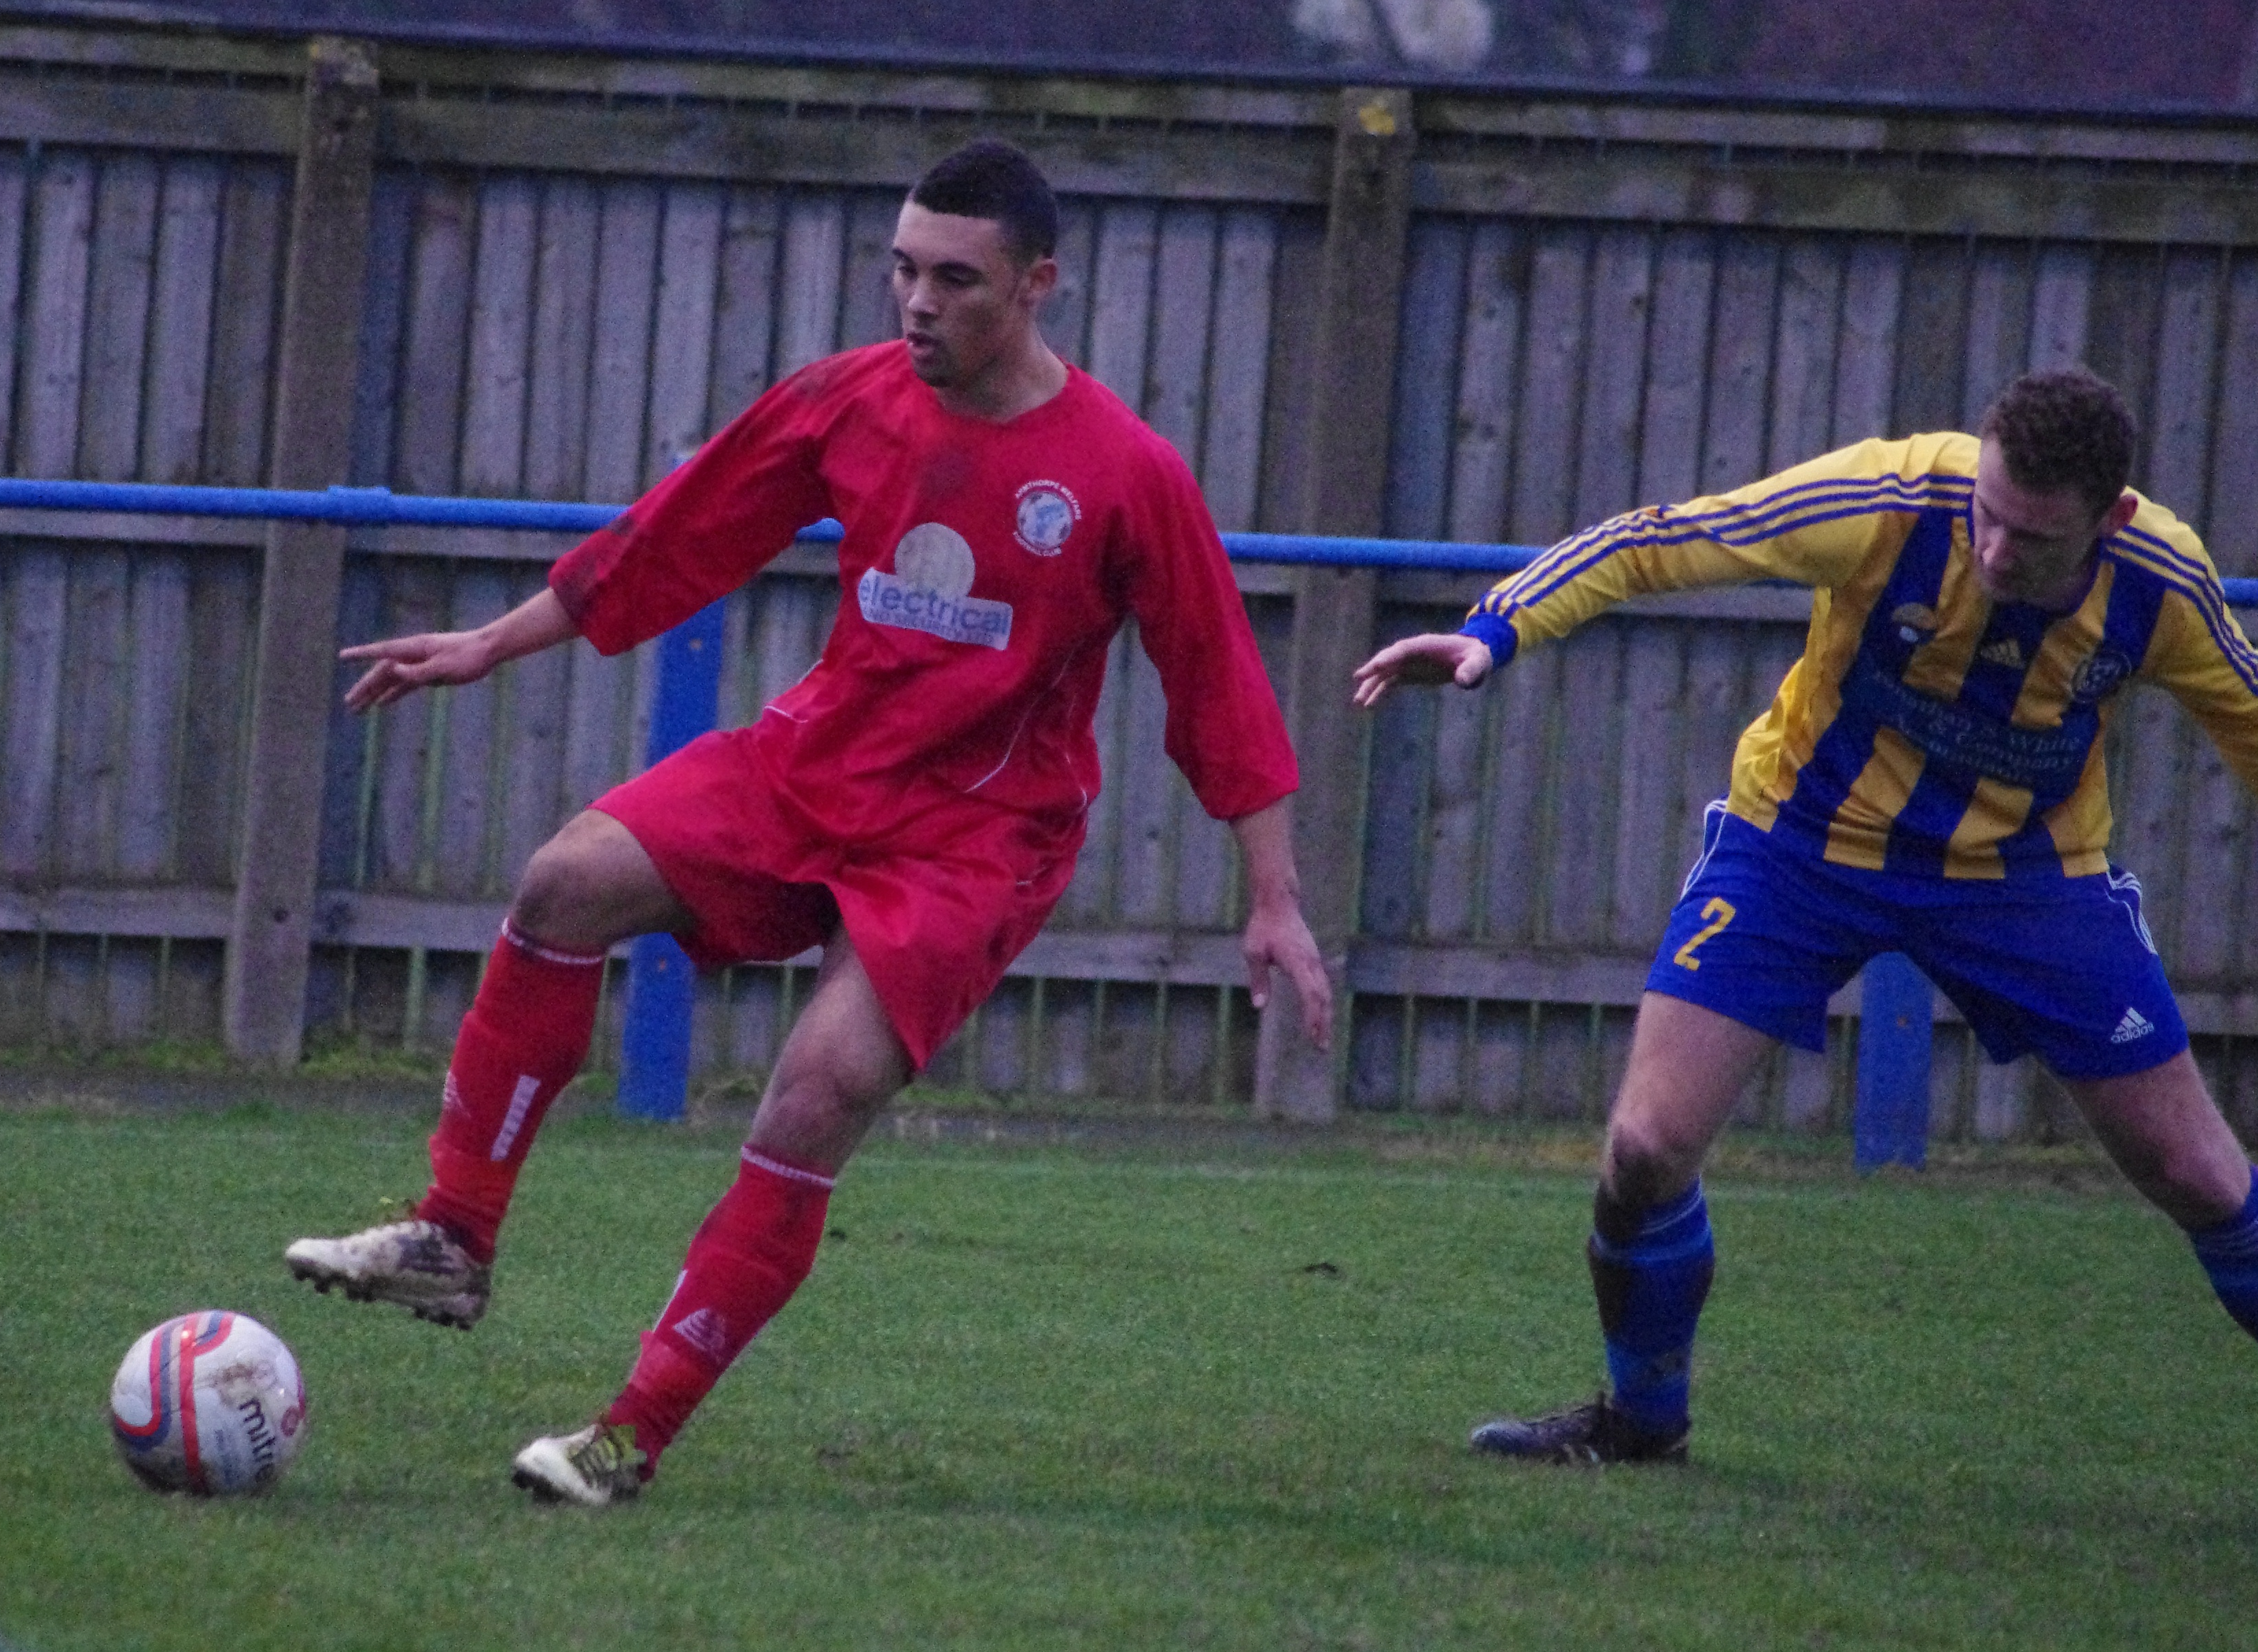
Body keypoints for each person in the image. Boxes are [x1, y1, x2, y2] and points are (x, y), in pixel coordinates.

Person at [284, 138, 1332, 1505]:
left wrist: (1272, 891)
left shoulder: (1126, 471)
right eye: (902, 268)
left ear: (1036, 285)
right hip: (813, 764)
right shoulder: (852, 398)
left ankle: (626, 1435)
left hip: (977, 838)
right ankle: (452, 1235)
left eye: (955, 279)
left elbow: (1216, 680)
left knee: (814, 1092)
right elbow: (682, 530)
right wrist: (496, 642)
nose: (916, 301)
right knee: (561, 884)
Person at [1353, 368, 2258, 1465]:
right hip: (1802, 845)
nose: (1996, 551)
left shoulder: (2162, 579)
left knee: (2202, 1177)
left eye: (2033, 538)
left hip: (2030, 877)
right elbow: (1659, 539)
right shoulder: (1883, 502)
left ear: (2111, 521)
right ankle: (1641, 1423)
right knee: (1645, 1145)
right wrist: (1497, 631)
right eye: (1988, 513)